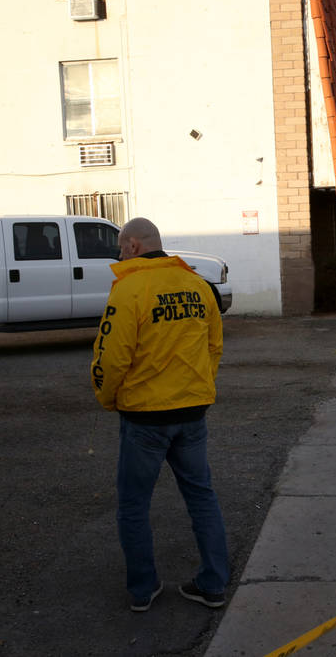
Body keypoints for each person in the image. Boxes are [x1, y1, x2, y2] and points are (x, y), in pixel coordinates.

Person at [91, 217, 229, 612]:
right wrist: (198, 387)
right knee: (202, 497)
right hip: (192, 412)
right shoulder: (198, 285)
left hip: (145, 418)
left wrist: (107, 397)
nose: (119, 254)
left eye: (121, 247)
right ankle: (213, 584)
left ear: (133, 245)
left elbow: (112, 356)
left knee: (134, 504)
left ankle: (143, 589)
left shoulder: (129, 288)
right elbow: (214, 345)